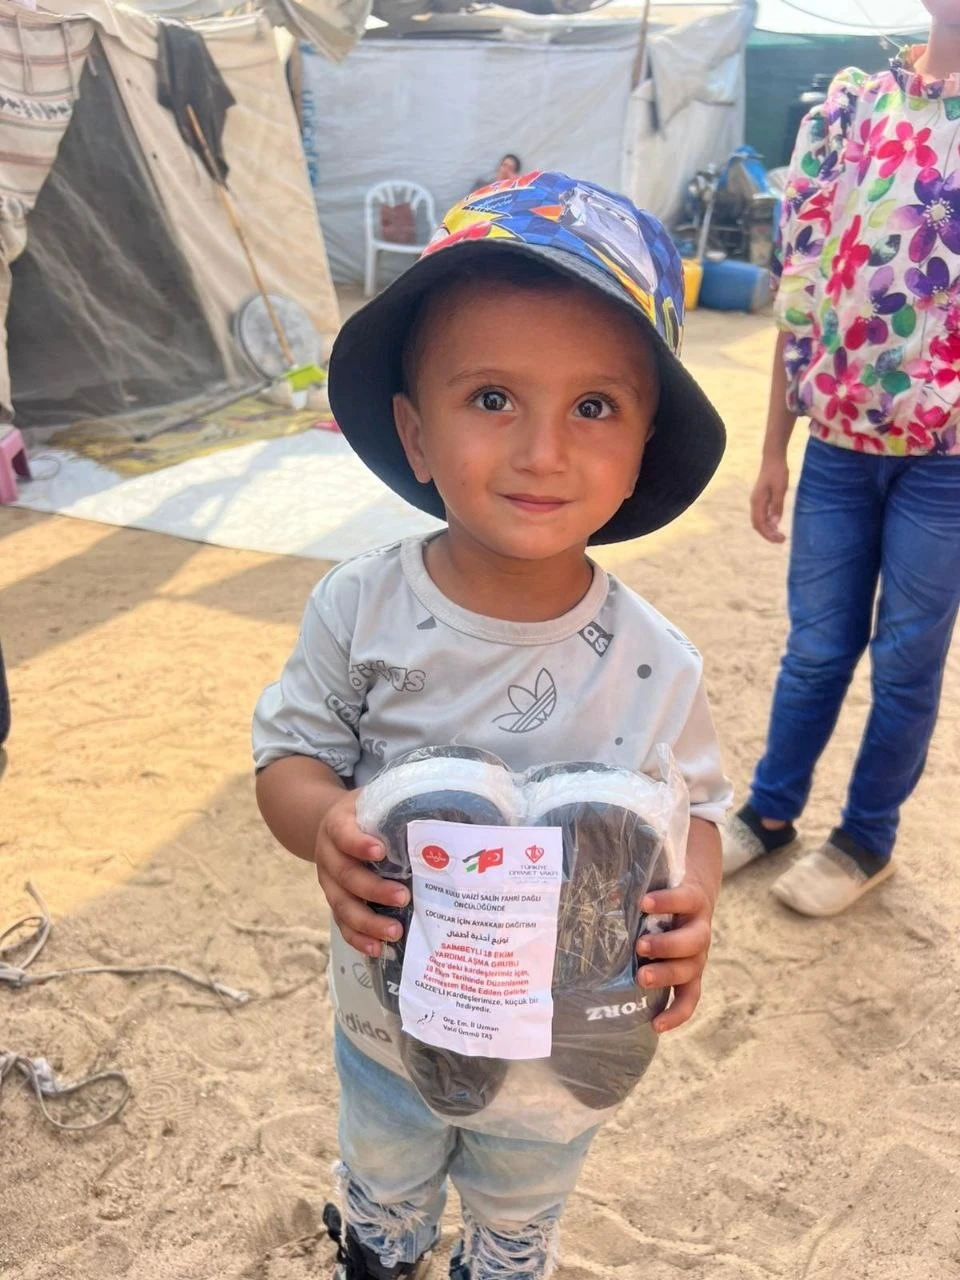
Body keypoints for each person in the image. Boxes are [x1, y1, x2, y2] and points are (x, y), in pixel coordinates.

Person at [253, 171, 731, 1280]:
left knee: (525, 1173)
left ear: (644, 448)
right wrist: (324, 822)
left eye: (594, 407)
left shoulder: (658, 660)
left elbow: (696, 810)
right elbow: (290, 756)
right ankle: (383, 1234)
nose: (542, 451)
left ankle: (507, 1248)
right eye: (492, 398)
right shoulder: (360, 607)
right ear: (414, 432)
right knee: (387, 1143)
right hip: (390, 1009)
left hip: (568, 1032)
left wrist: (693, 900)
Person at [722, 4, 960, 918]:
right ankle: (770, 812)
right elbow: (803, 294)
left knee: (905, 663)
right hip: (836, 446)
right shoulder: (851, 109)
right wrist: (773, 447)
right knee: (816, 649)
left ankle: (867, 839)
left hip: (944, 466)